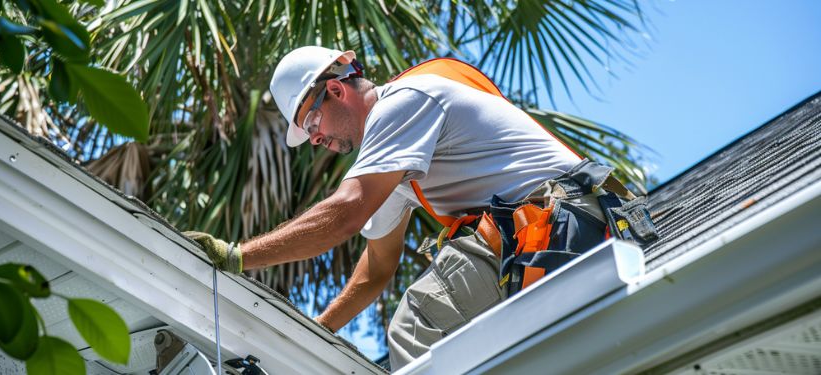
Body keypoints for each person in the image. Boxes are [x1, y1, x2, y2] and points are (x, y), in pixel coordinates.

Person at [186, 45, 592, 370]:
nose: (314, 139)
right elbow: (377, 269)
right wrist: (317, 330)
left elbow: (347, 212)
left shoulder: (402, 103)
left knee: (417, 325)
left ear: (335, 90)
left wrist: (235, 256)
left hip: (560, 223)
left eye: (311, 124)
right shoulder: (397, 165)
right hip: (557, 233)